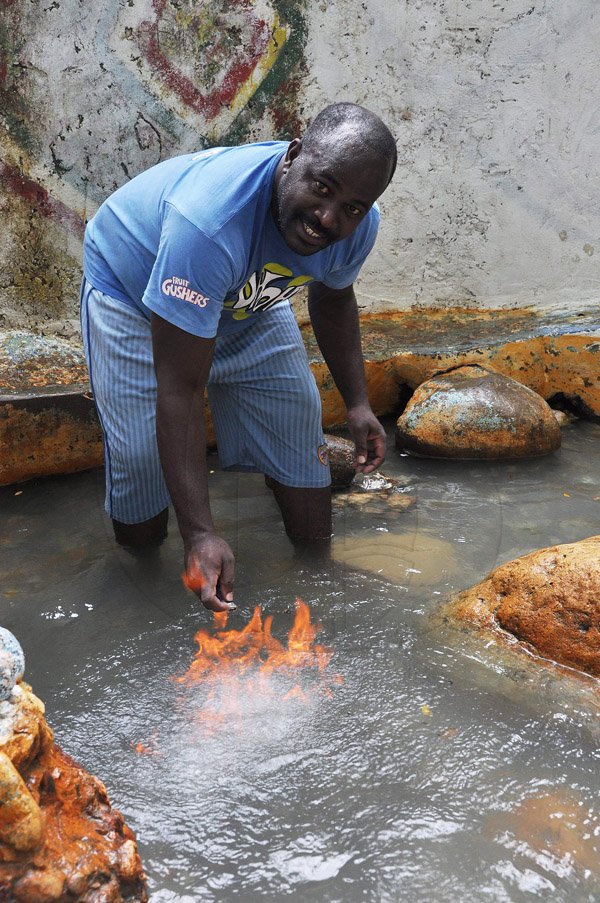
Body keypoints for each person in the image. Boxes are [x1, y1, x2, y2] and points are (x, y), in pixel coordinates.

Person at [81, 102, 397, 613]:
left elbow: (333, 296)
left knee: (298, 418)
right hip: (135, 296)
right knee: (141, 459)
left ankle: (317, 574)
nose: (328, 218)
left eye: (353, 207)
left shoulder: (359, 225)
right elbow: (180, 389)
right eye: (322, 188)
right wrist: (201, 533)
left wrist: (358, 403)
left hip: (242, 296)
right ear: (293, 157)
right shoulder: (208, 221)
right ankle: (140, 581)